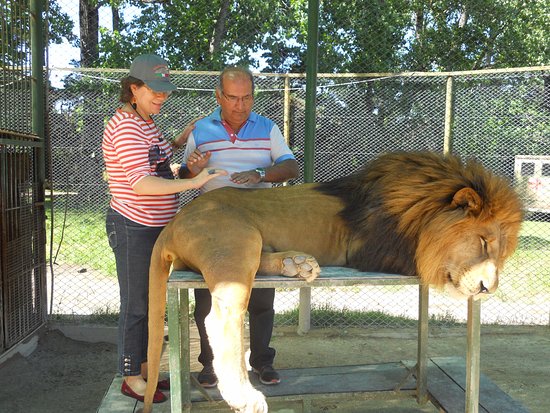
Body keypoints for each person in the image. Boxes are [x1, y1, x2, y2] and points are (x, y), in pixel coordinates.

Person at [102, 53, 225, 403]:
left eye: (164, 91)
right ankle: (130, 376)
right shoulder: (126, 126)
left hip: (156, 226)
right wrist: (194, 182)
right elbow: (141, 183)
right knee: (136, 304)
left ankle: (146, 370)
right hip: (133, 227)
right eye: (154, 91)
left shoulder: (146, 121)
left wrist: (180, 155)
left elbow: (157, 166)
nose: (161, 97)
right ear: (133, 89)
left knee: (150, 301)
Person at [178, 66, 299, 387]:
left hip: (260, 219)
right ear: (218, 96)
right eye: (232, 98)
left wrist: (261, 174)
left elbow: (290, 166)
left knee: (261, 298)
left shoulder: (267, 128)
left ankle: (261, 361)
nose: (241, 105)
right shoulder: (201, 130)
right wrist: (192, 170)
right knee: (208, 298)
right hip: (213, 223)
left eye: (247, 98)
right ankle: (210, 365)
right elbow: (183, 178)